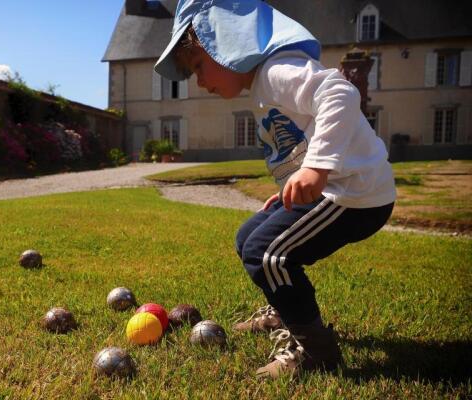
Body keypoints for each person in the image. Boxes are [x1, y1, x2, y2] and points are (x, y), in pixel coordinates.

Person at [154, 0, 396, 379]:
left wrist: (317, 168)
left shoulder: (277, 71)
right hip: (334, 189)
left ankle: (316, 352)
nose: (198, 81)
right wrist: (289, 186)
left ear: (228, 44)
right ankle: (282, 311)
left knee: (268, 253)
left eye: (199, 65)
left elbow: (339, 94)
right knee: (248, 235)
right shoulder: (260, 87)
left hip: (352, 193)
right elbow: (301, 136)